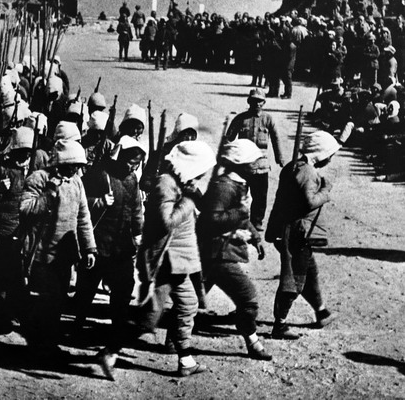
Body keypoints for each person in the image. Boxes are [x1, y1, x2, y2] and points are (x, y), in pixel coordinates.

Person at [135, 141, 216, 377]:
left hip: (177, 258)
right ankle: (111, 350)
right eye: (200, 170)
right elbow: (167, 221)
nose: (201, 176)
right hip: (166, 258)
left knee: (172, 308)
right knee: (155, 314)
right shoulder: (165, 183)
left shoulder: (178, 183)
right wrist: (189, 202)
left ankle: (185, 359)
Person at [75, 136, 145, 378]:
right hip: (98, 243)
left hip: (121, 246)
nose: (132, 167)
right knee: (86, 289)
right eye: (130, 162)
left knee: (124, 290)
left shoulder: (132, 180)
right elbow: (79, 202)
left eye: (137, 164)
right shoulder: (100, 175)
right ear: (120, 156)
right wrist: (99, 202)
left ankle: (113, 339)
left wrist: (138, 232)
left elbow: (136, 208)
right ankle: (77, 324)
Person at [19, 139, 96, 360]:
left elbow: (83, 217)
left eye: (78, 166)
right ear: (62, 162)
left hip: (65, 255)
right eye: (72, 165)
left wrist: (89, 247)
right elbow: (25, 209)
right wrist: (49, 193)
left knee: (58, 301)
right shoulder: (39, 179)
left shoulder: (77, 183)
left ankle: (48, 345)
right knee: (46, 301)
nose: (75, 170)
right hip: (41, 254)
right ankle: (40, 346)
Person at [197, 139, 272, 361]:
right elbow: (212, 219)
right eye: (252, 162)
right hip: (218, 252)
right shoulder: (224, 186)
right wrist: (239, 213)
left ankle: (174, 340)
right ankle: (253, 342)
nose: (256, 167)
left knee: (191, 299)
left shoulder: (238, 184)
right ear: (241, 164)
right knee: (247, 298)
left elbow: (241, 217)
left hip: (219, 251)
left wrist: (255, 237)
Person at [265, 131, 340, 340]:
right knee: (294, 280)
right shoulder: (307, 172)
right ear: (320, 153)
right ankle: (279, 325)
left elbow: (279, 200)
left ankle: (321, 312)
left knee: (309, 272)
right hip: (297, 233)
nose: (330, 159)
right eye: (329, 154)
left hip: (290, 231)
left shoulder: (293, 167)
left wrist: (271, 229)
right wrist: (325, 191)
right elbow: (309, 202)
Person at [0, 127, 48, 331]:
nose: (25, 155)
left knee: (17, 275)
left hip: (21, 232)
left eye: (28, 152)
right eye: (21, 151)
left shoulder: (36, 168)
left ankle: (11, 313)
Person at [226, 88, 284, 231]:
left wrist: (279, 157)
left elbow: (276, 138)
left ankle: (256, 221)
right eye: (254, 101)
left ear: (264, 103)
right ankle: (238, 219)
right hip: (243, 164)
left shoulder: (268, 119)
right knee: (239, 194)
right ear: (249, 101)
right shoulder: (240, 119)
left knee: (260, 196)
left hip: (261, 165)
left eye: (260, 101)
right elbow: (229, 139)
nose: (257, 104)